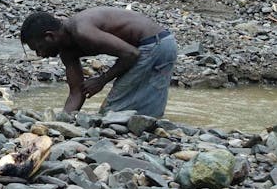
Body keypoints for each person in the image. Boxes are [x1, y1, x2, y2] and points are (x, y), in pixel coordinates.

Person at [19, 7, 177, 118]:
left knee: (111, 114)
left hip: (156, 45)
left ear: (50, 36)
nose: (40, 55)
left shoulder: (82, 31)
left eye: (39, 48)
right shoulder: (67, 53)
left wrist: (102, 80)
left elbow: (131, 54)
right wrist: (62, 123)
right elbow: (76, 92)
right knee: (144, 112)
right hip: (155, 46)